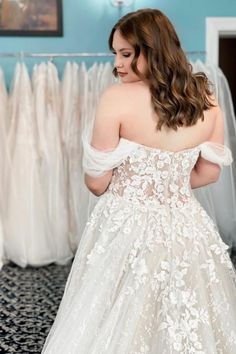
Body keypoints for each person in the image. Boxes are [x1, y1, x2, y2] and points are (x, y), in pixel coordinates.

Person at [42, 8, 236, 353]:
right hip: (188, 227)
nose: (117, 64)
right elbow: (209, 172)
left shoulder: (115, 98)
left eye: (126, 54)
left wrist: (136, 183)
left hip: (127, 225)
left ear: (154, 49)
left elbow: (97, 183)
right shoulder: (206, 101)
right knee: (187, 315)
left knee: (113, 317)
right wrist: (168, 183)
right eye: (115, 54)